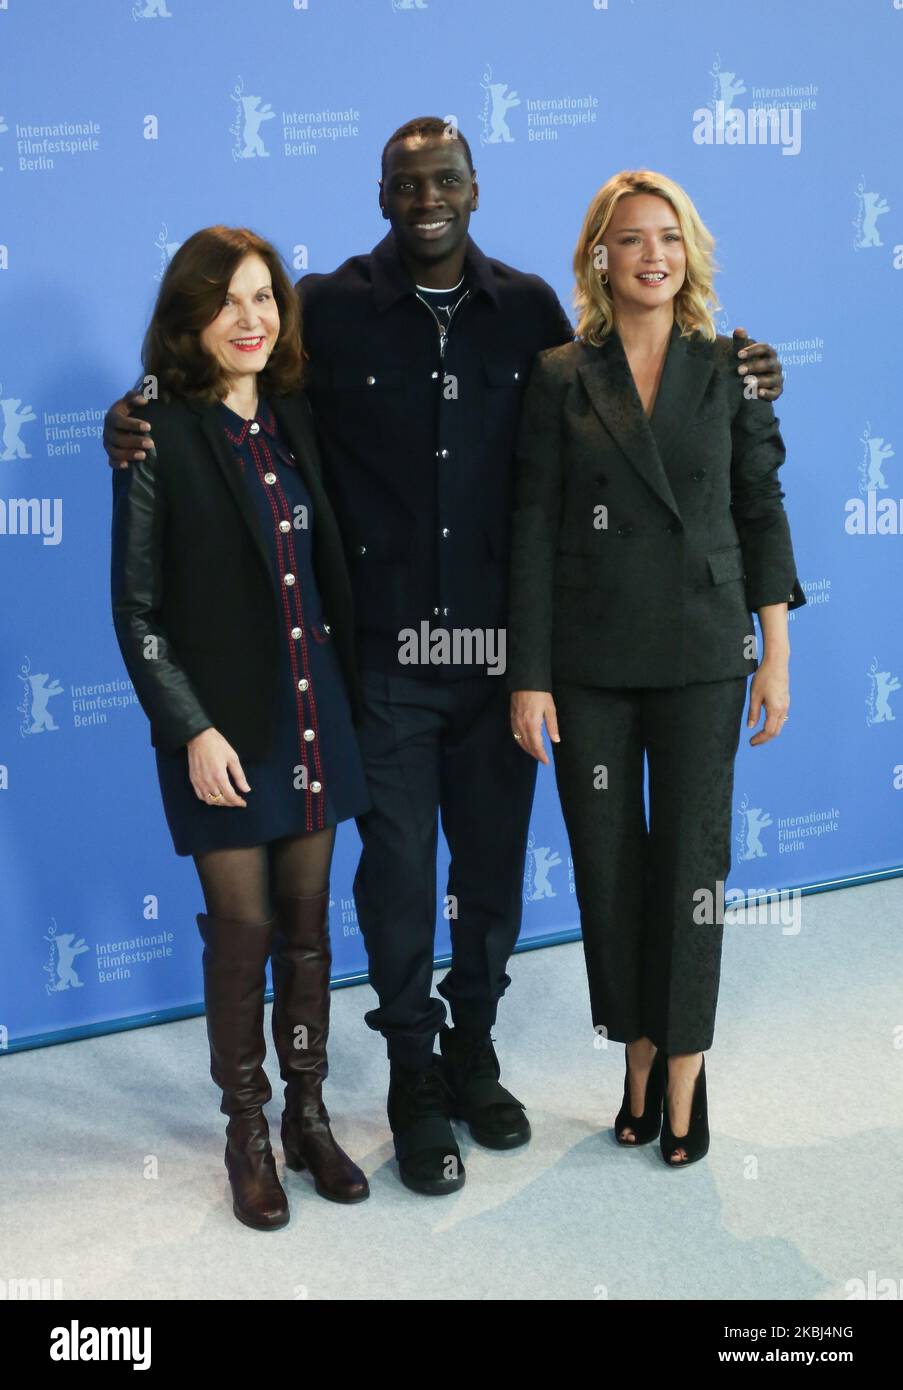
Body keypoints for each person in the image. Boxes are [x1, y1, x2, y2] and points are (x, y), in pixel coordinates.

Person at [103, 119, 785, 1196]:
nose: (428, 196)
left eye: (447, 179)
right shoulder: (320, 310)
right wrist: (134, 416)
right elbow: (233, 406)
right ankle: (414, 1076)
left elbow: (609, 410)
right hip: (377, 663)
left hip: (503, 659)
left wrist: (745, 365)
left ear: (477, 189)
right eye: (407, 182)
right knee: (401, 884)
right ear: (382, 195)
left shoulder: (528, 313)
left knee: (493, 880)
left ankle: (474, 1053)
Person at [507, 170, 805, 1167]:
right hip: (589, 664)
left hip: (705, 654)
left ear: (690, 252)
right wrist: (528, 676)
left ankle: (684, 1069)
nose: (652, 255)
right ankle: (633, 1051)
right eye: (630, 239)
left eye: (667, 238)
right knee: (608, 868)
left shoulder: (731, 367)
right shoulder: (559, 375)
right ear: (600, 255)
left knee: (691, 871)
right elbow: (535, 531)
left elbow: (761, 510)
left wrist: (775, 655)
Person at [110, 226, 370, 1229]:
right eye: (227, 302)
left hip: (314, 717)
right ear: (190, 318)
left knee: (307, 936)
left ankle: (310, 1113)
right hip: (221, 735)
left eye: (264, 297)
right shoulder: (152, 431)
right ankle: (248, 1129)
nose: (251, 319)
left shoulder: (297, 416)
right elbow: (136, 613)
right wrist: (192, 730)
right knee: (245, 934)